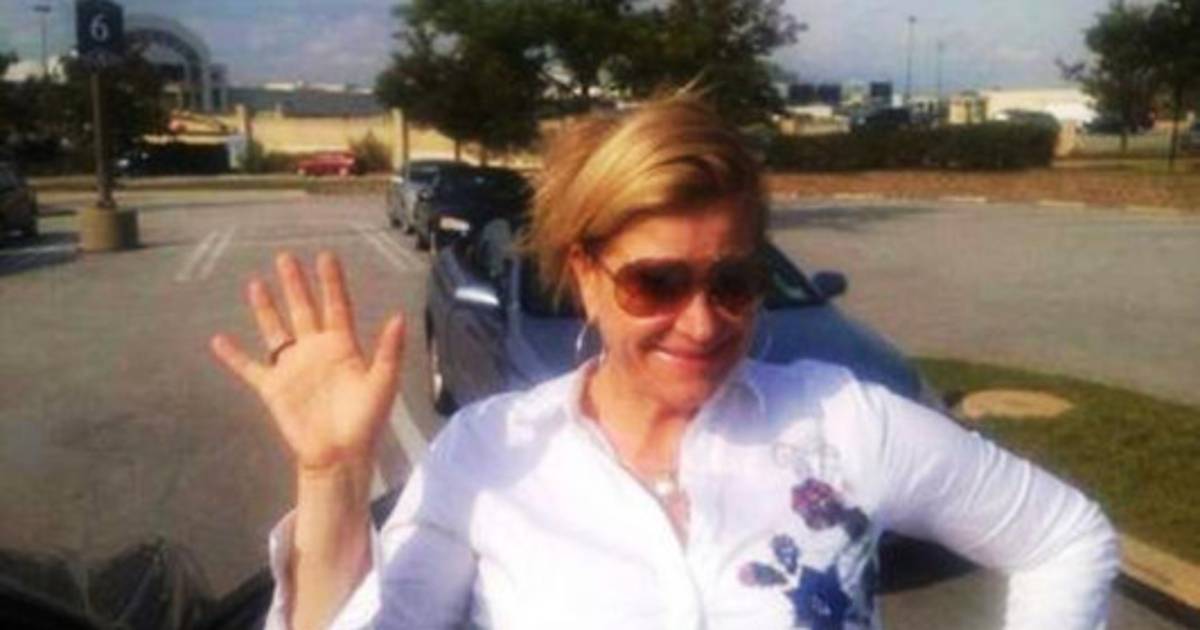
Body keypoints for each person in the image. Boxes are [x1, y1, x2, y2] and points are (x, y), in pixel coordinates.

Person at [210, 91, 1118, 630]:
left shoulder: (845, 421)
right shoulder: (489, 454)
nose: (702, 321)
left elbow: (1065, 537)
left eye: (735, 280)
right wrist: (332, 477)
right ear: (586, 274)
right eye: (656, 282)